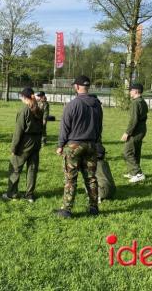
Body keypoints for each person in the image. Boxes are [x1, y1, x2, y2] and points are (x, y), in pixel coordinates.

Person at [55, 75, 103, 218]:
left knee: (71, 178)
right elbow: (99, 127)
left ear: (76, 87)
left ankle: (66, 209)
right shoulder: (97, 105)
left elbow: (65, 127)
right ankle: (94, 208)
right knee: (91, 178)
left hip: (74, 146)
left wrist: (60, 145)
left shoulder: (72, 105)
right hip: (91, 145)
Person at [2, 87, 43, 203]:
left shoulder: (24, 110)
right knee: (32, 169)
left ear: (25, 97)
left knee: (15, 168)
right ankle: (29, 195)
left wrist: (14, 148)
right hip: (36, 142)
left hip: (25, 142)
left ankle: (11, 194)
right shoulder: (39, 109)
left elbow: (18, 131)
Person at [121, 82, 148, 183]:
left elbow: (134, 120)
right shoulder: (142, 101)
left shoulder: (135, 103)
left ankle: (138, 173)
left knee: (127, 152)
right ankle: (133, 172)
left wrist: (127, 133)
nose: (129, 92)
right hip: (141, 129)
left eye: (131, 90)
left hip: (136, 131)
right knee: (135, 152)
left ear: (136, 91)